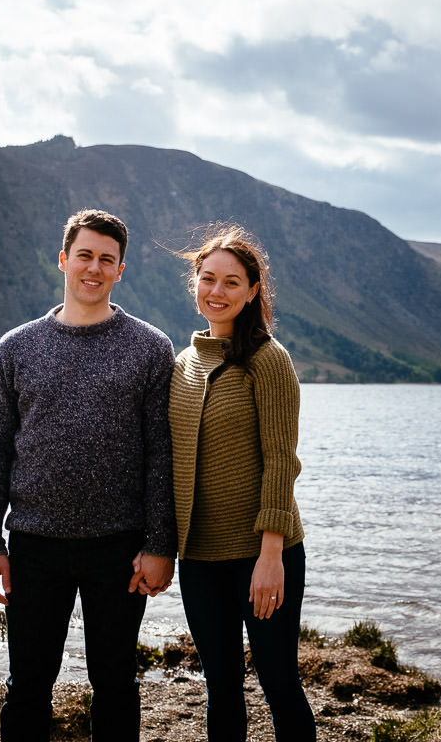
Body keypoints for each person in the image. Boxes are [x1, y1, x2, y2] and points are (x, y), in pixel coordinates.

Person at [0, 208, 176, 742]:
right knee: (29, 685)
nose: (94, 267)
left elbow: (162, 454)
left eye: (106, 259)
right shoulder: (15, 348)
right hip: (35, 545)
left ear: (120, 271)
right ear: (64, 259)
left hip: (121, 548)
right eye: (84, 255)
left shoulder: (151, 348)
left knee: (114, 682)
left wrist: (160, 546)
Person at [138, 223, 315, 741]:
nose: (217, 292)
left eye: (232, 282)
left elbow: (282, 462)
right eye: (208, 279)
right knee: (219, 684)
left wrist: (270, 555)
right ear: (193, 282)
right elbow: (167, 466)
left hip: (264, 554)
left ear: (254, 291)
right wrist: (160, 549)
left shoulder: (269, 361)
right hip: (200, 558)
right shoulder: (182, 365)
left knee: (280, 680)